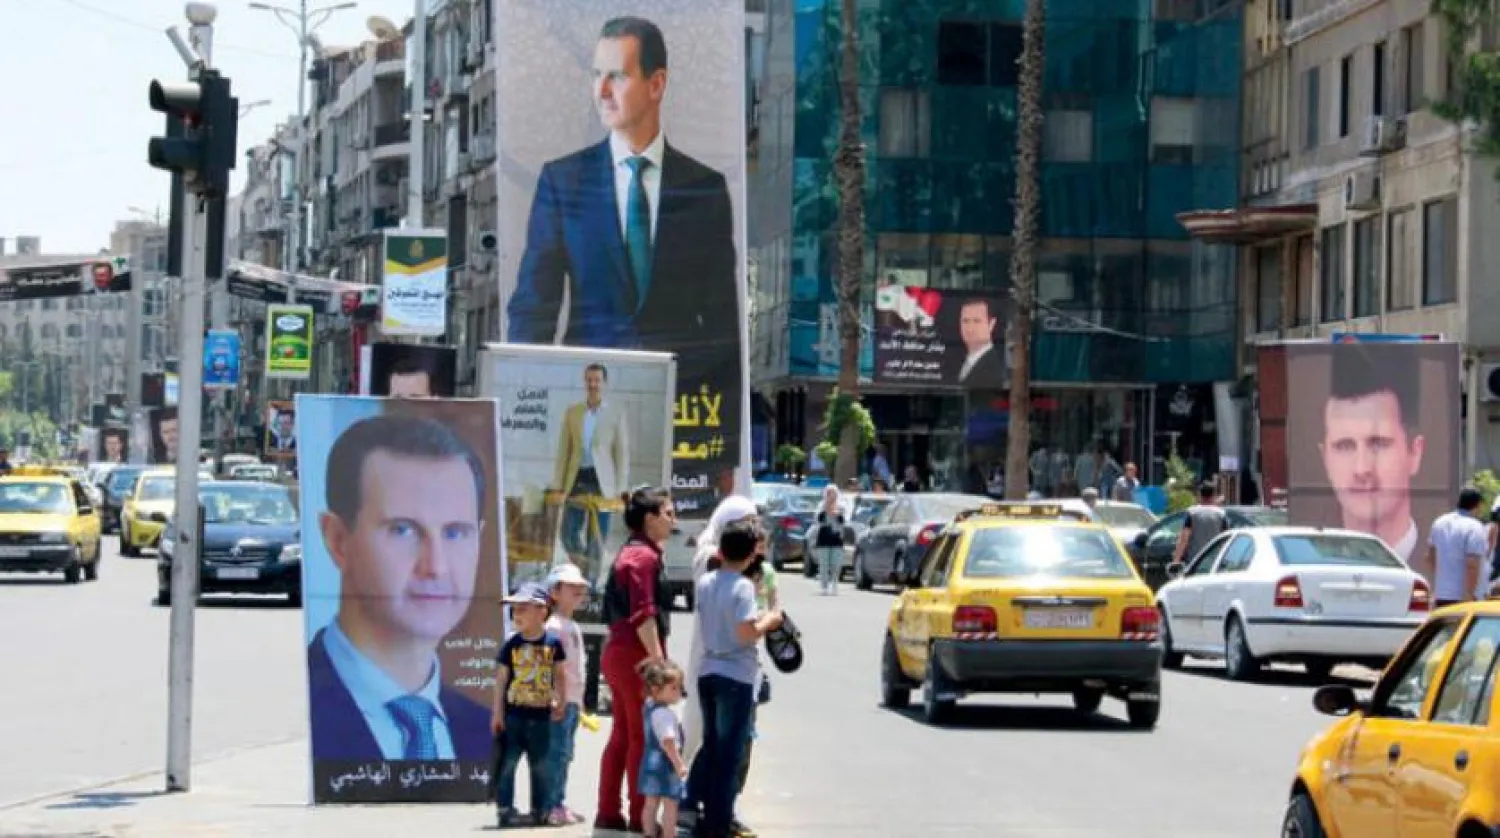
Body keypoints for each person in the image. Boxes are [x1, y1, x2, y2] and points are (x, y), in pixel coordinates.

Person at [506, 17, 741, 445]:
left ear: (656, 84)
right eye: (597, 76)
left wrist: (724, 443)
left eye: (616, 75)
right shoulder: (564, 181)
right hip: (583, 406)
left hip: (679, 413)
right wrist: (525, 419)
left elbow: (722, 325)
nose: (602, 91)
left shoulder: (703, 188)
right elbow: (533, 308)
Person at [305, 413, 491, 762]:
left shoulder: (483, 731)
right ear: (338, 539)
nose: (435, 566)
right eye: (403, 530)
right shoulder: (298, 708)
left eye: (455, 533)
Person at [694, 517, 782, 838]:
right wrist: (769, 621)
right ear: (749, 557)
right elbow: (746, 632)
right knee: (730, 754)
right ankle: (718, 822)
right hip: (736, 674)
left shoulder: (707, 582)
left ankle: (705, 814)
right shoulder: (743, 587)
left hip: (709, 670)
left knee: (714, 747)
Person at [595, 485, 675, 833]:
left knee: (623, 735)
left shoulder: (632, 552)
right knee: (641, 737)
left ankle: (609, 811)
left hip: (619, 652)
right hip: (635, 656)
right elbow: (644, 614)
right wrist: (658, 664)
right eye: (668, 513)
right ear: (650, 518)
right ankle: (642, 817)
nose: (673, 520)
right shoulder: (644, 557)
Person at [1317, 347, 1425, 562]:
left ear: (1414, 452)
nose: (1362, 469)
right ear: (1325, 458)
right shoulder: (1309, 563)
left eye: (1378, 444)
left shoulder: (1437, 557)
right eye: (1345, 446)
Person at [491, 582, 567, 828]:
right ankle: (505, 809)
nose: (517, 614)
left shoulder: (553, 644)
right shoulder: (510, 645)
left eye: (524, 608)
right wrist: (497, 713)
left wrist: (560, 700)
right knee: (508, 764)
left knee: (541, 765)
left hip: (541, 716)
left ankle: (540, 809)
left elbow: (559, 674)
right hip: (514, 716)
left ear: (542, 611)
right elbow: (501, 680)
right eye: (515, 609)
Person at [551, 363, 630, 579]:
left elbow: (622, 454)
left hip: (602, 483)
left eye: (597, 380)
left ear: (604, 383)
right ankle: (582, 567)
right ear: (584, 382)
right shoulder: (573, 412)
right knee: (567, 533)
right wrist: (558, 486)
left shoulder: (615, 412)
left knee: (596, 538)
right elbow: (564, 451)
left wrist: (621, 491)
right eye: (589, 380)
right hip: (577, 478)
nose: (593, 384)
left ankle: (591, 585)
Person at [542, 563, 590, 826]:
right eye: (572, 587)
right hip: (559, 700)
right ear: (555, 592)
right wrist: (554, 696)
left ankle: (557, 801)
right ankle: (550, 804)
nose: (578, 592)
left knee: (564, 753)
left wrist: (578, 702)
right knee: (556, 752)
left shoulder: (570, 624)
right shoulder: (554, 627)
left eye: (580, 588)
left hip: (571, 699)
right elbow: (549, 666)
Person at [636, 659, 689, 838]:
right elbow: (668, 741)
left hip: (650, 762)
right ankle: (668, 834)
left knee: (651, 802)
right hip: (666, 765)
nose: (678, 692)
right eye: (673, 688)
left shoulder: (650, 707)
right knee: (670, 804)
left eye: (679, 687)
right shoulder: (664, 714)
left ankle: (649, 833)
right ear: (656, 690)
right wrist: (679, 764)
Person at [1413, 487, 1490, 608]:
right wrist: (1469, 594)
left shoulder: (1439, 522)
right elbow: (1472, 564)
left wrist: (1442, 580)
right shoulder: (1475, 527)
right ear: (1478, 505)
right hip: (1463, 597)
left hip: (1442, 593)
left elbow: (1431, 557)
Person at [949, 297, 1007, 388]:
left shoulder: (993, 367)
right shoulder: (957, 360)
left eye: (977, 321)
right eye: (965, 321)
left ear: (991, 324)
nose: (970, 329)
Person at [1172, 483, 1228, 567]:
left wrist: (1176, 561)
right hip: (1215, 562)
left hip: (1194, 562)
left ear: (1200, 495)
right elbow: (1225, 539)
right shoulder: (1221, 514)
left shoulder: (1191, 513)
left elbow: (1184, 539)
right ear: (1213, 495)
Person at [812, 485, 846, 595]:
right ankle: (824, 586)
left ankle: (834, 583)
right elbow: (818, 520)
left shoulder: (841, 506)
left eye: (833, 493)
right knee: (824, 563)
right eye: (829, 493)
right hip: (824, 537)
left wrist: (838, 514)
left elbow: (844, 521)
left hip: (837, 538)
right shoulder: (821, 506)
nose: (831, 496)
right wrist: (826, 510)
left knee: (835, 563)